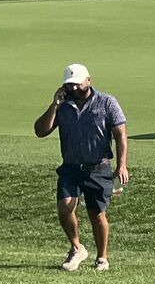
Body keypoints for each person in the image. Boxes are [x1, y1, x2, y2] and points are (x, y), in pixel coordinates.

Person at [32, 63, 128, 273]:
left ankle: (102, 257)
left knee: (97, 214)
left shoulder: (106, 102)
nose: (74, 89)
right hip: (71, 168)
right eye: (69, 86)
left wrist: (121, 165)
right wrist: (55, 104)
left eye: (77, 84)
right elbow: (40, 131)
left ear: (88, 80)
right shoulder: (63, 105)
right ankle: (77, 248)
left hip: (98, 167)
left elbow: (120, 135)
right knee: (65, 207)